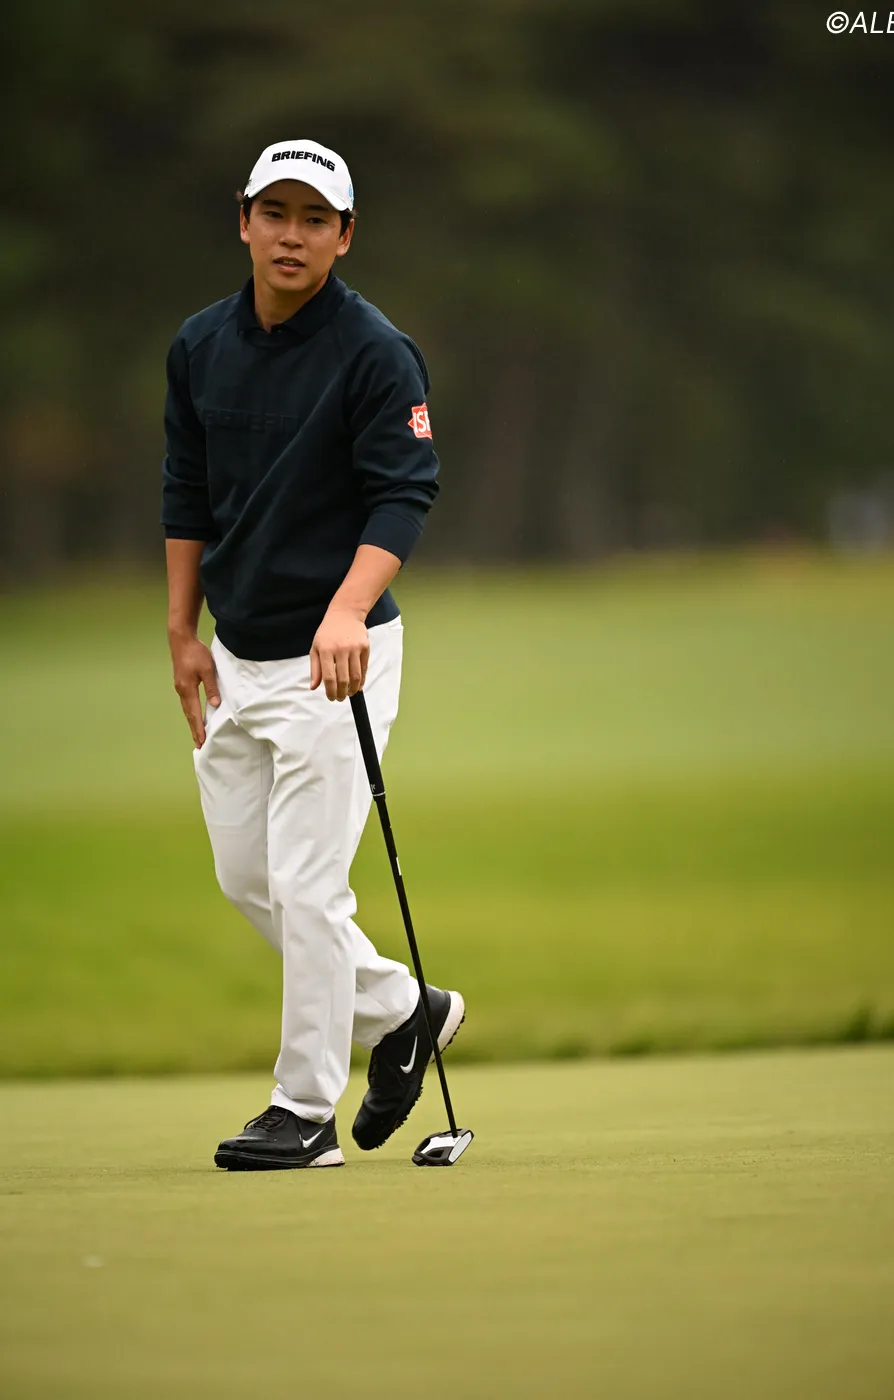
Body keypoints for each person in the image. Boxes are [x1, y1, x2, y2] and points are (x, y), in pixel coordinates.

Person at [161, 137, 465, 1171]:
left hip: (339, 660)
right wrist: (181, 631)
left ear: (345, 235)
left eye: (314, 218)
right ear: (243, 220)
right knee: (249, 878)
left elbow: (404, 491)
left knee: (306, 886)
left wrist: (347, 608)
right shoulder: (199, 345)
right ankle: (406, 1010)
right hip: (236, 654)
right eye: (275, 213)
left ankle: (302, 1112)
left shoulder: (377, 351)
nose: (292, 235)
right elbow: (186, 489)